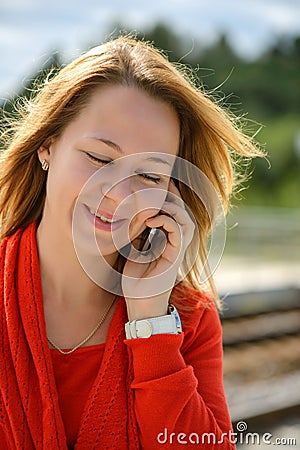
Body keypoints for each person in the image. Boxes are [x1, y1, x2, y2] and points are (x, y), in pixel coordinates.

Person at [0, 36, 261, 449]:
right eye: (100, 159)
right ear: (48, 146)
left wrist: (150, 324)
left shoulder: (187, 319)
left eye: (150, 176)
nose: (119, 193)